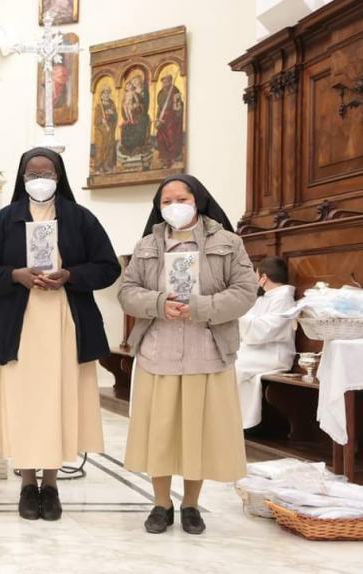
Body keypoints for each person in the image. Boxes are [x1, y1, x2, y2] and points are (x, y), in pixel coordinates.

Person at [0, 147, 120, 521]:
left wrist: (70, 276)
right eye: (33, 174)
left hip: (64, 325)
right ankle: (25, 485)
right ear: (23, 180)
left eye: (47, 173)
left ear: (59, 177)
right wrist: (14, 275)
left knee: (56, 402)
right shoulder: (5, 220)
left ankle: (50, 484)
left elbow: (107, 267)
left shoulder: (80, 219)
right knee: (25, 405)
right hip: (18, 328)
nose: (40, 180)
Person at [119, 175, 257, 534]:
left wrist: (201, 306)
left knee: (197, 431)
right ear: (159, 207)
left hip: (206, 349)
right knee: (160, 431)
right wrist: (158, 303)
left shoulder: (228, 242)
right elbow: (127, 291)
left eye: (181, 198)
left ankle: (191, 504)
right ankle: (161, 503)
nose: (174, 206)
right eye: (166, 201)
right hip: (158, 350)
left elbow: (245, 292)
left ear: (198, 200)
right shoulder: (148, 244)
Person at [237, 256, 297, 429]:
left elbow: (264, 330)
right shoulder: (265, 299)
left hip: (274, 354)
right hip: (257, 351)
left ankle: (241, 424)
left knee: (233, 366)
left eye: (256, 275)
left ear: (263, 278)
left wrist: (238, 314)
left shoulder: (284, 299)